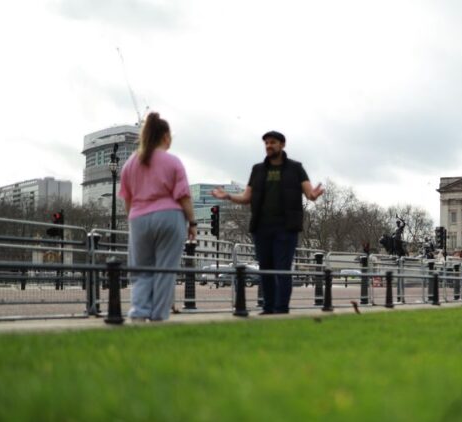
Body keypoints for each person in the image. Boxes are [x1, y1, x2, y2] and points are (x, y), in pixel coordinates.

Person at [213, 131, 323, 315]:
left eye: (273, 142)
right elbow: (246, 197)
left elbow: (309, 192)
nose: (269, 146)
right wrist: (228, 196)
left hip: (286, 228)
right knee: (265, 269)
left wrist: (313, 195)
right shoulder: (258, 170)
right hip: (261, 227)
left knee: (282, 269)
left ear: (282, 144)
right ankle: (268, 307)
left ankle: (281, 308)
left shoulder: (296, 168)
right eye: (266, 143)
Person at [118, 112, 196, 322]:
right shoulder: (173, 162)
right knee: (165, 270)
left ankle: (139, 311)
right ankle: (159, 316)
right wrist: (192, 222)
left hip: (139, 218)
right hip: (170, 216)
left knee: (141, 270)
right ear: (165, 137)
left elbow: (127, 199)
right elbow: (183, 196)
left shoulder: (130, 163)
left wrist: (133, 219)